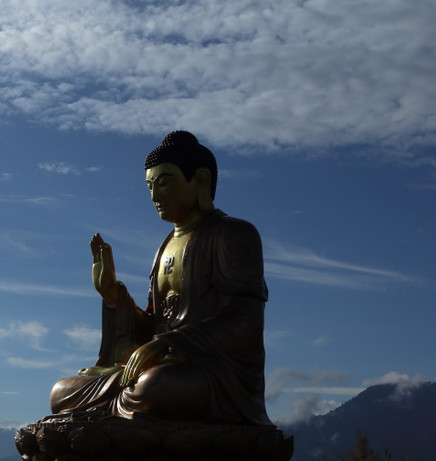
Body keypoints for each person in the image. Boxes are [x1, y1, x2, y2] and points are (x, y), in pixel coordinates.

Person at [50, 131, 272, 426]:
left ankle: (118, 418)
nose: (155, 196)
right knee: (61, 393)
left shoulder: (233, 234)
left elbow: (246, 321)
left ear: (201, 180)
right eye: (150, 186)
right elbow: (152, 325)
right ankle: (118, 412)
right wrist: (113, 296)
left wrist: (167, 344)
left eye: (165, 183)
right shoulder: (165, 247)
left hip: (212, 375)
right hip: (159, 367)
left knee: (155, 386)